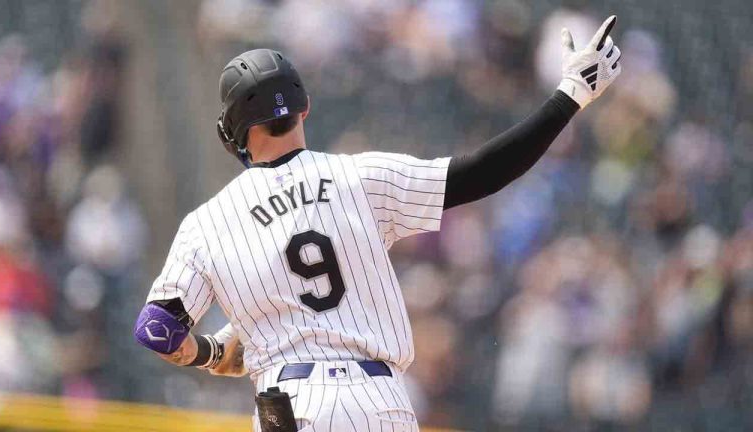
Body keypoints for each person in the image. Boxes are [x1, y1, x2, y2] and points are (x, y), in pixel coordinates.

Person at [134, 15, 621, 431]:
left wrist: (210, 353)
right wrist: (569, 95)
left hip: (290, 405)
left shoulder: (208, 222)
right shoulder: (359, 176)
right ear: (305, 107)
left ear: (232, 131)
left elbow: (156, 329)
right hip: (377, 401)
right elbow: (484, 173)